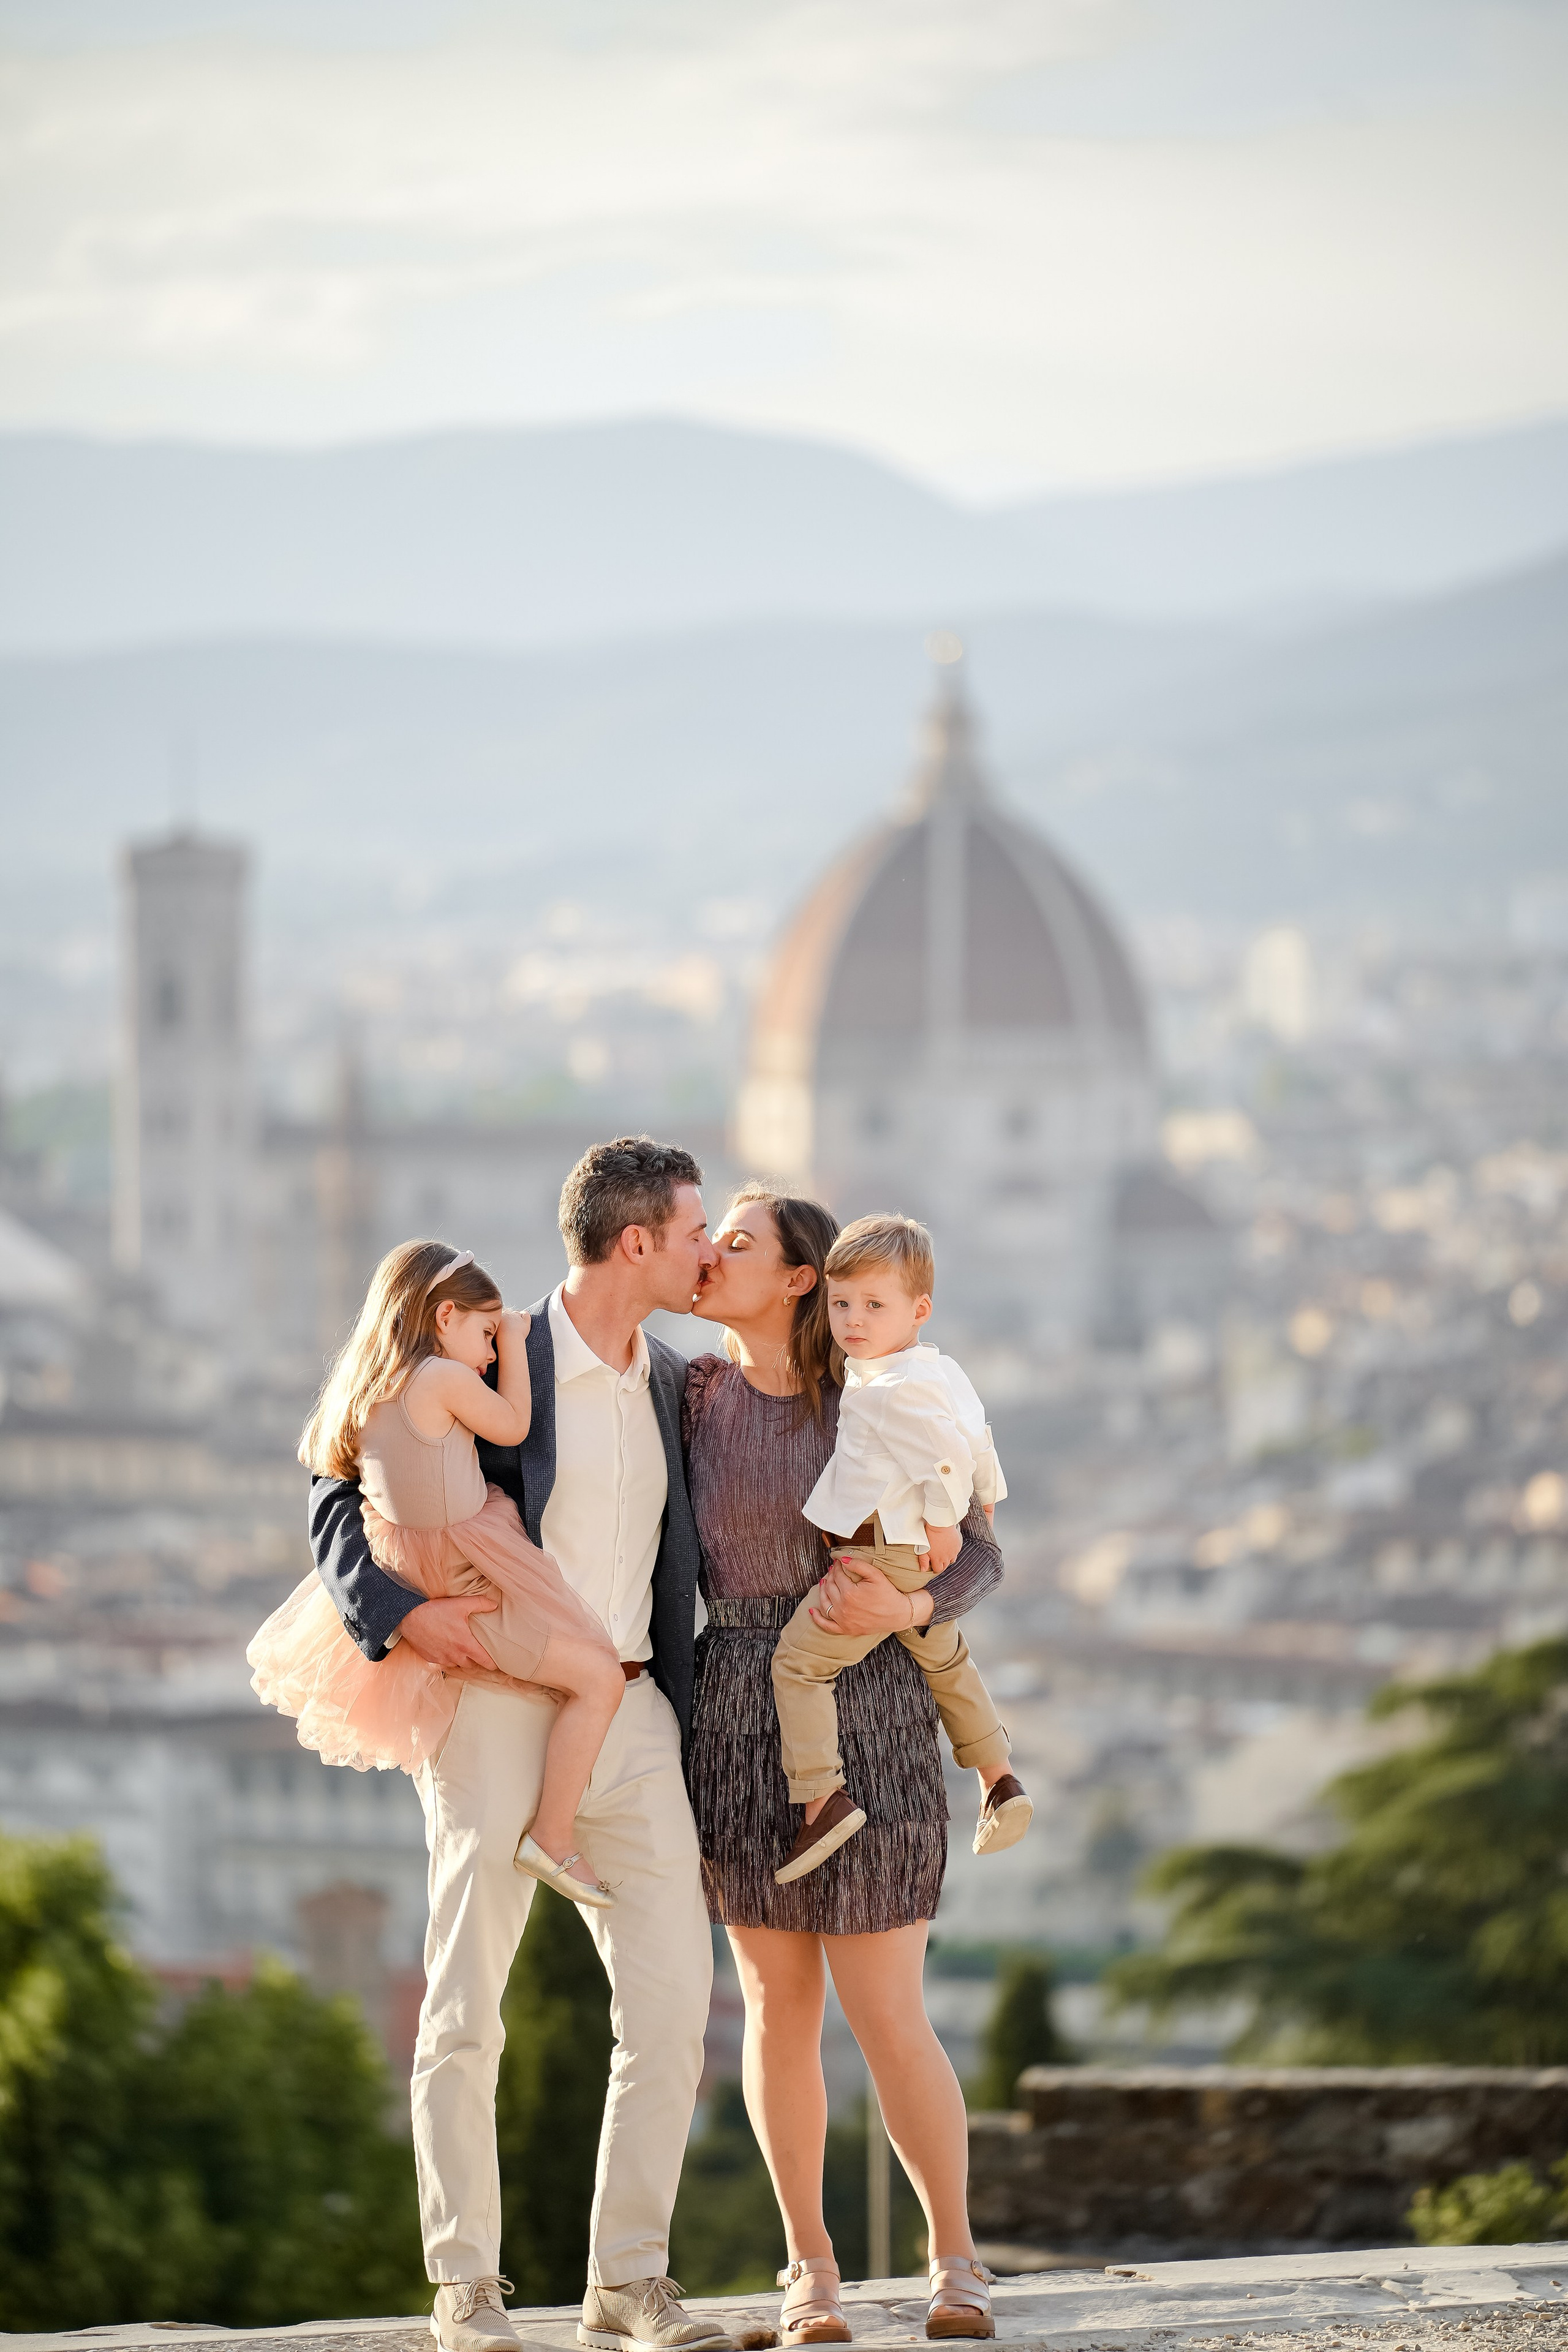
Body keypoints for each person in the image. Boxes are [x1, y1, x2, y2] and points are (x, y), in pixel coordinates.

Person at [306, 1139, 728, 2352]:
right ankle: (467, 2290)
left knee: (668, 2007)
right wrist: (395, 1614)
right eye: (693, 1230)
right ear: (634, 1241)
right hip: (492, 1701)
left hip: (632, 1709)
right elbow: (342, 1472)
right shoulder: (497, 1349)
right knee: (466, 2003)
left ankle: (628, 2281)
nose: (704, 1251)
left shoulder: (675, 1386)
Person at [685, 1184, 1004, 2346]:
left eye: (735, 1243)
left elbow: (981, 1551)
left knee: (887, 2013)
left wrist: (917, 1593)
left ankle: (956, 2260)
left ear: (798, 1277)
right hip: (731, 1711)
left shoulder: (877, 1388)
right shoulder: (693, 1395)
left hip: (870, 1696)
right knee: (775, 2007)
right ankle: (808, 2269)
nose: (709, 1255)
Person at [249, 1239, 625, 1906]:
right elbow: (511, 1427)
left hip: (412, 1565)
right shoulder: (443, 1379)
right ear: (444, 1316)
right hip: (466, 1565)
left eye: (493, 1339)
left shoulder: (364, 1390)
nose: (485, 1355)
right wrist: (514, 1341)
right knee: (598, 1675)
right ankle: (553, 1835)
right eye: (481, 1332)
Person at [769, 1213, 1032, 1885]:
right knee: (946, 1661)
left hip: (878, 1553)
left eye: (873, 1306)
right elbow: (975, 1437)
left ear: (918, 1310)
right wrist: (987, 1495)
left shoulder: (885, 1387)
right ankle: (1000, 1779)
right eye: (842, 1304)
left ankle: (820, 1800)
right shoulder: (936, 1369)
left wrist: (948, 1519)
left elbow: (944, 1458)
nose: (853, 1321)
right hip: (908, 1550)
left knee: (799, 1665)